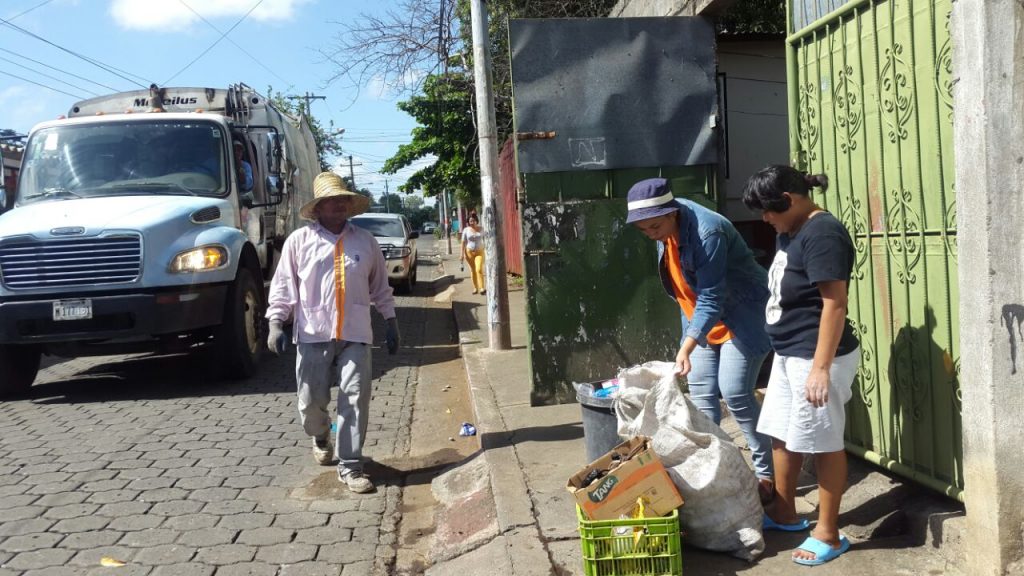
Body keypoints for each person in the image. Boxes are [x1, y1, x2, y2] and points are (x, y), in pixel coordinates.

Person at [625, 178, 775, 500]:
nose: (651, 235)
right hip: (701, 320)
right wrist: (690, 337)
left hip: (742, 315)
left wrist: (687, 344)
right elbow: (683, 291)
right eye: (644, 230)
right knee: (702, 398)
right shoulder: (664, 230)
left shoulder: (709, 232)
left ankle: (766, 476)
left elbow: (711, 296)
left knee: (735, 393)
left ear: (672, 213)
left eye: (654, 227)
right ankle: (722, 471)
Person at [743, 165, 860, 566]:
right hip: (790, 354)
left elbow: (835, 303)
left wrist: (821, 368)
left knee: (822, 441)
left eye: (768, 211)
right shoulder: (790, 231)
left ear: (789, 201)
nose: (764, 219)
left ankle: (828, 533)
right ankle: (785, 512)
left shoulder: (822, 233)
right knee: (781, 433)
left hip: (816, 357)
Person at [265, 171, 400, 494]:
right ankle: (321, 434)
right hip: (312, 333)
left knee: (355, 398)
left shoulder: (364, 241)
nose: (339, 205)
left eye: (343, 200)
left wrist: (391, 320)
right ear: (319, 208)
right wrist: (275, 322)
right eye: (332, 201)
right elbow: (284, 286)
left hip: (356, 333)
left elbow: (380, 286)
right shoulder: (299, 242)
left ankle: (351, 465)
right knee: (312, 402)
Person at [461, 213, 485, 295]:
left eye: (473, 221)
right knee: (473, 270)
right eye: (470, 221)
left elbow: (487, 238)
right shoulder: (466, 230)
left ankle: (482, 288)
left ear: (476, 221)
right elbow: (463, 242)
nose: (472, 222)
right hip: (469, 252)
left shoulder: (481, 229)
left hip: (479, 252)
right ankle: (475, 288)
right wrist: (462, 254)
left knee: (479, 269)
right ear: (468, 222)